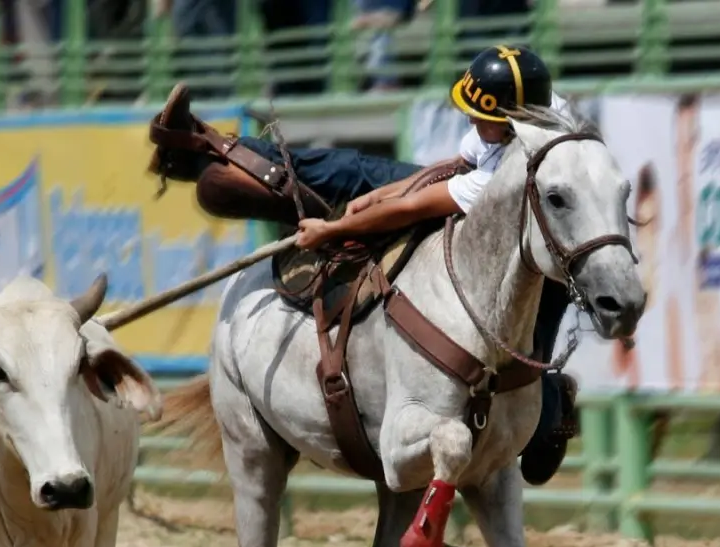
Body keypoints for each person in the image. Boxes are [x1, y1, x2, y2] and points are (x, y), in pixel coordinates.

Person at [146, 44, 579, 486]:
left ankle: (552, 404)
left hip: (537, 256)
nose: (470, 121)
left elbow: (414, 208)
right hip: (511, 220)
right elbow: (456, 166)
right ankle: (201, 146)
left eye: (480, 116)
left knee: (528, 355)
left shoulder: (509, 170)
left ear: (510, 122)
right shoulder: (534, 107)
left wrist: (331, 230)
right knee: (348, 169)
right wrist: (376, 195)